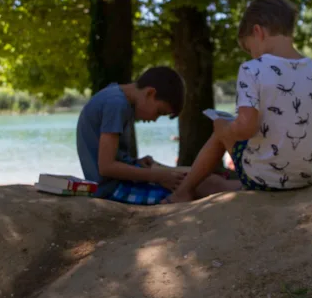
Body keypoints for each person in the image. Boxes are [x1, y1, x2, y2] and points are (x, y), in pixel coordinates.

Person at [165, 0, 312, 203]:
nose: (252, 56)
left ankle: (183, 191)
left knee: (220, 125)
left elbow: (245, 127)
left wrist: (225, 128)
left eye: (249, 49)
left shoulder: (252, 69)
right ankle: (209, 186)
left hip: (265, 178)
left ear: (258, 32)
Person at [77, 66, 218, 205]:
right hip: (112, 190)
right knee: (189, 189)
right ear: (150, 93)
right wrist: (156, 177)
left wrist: (136, 162)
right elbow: (106, 167)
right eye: (159, 112)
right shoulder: (116, 104)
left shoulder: (115, 95)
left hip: (119, 182)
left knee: (197, 177)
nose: (154, 119)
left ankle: (236, 187)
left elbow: (109, 156)